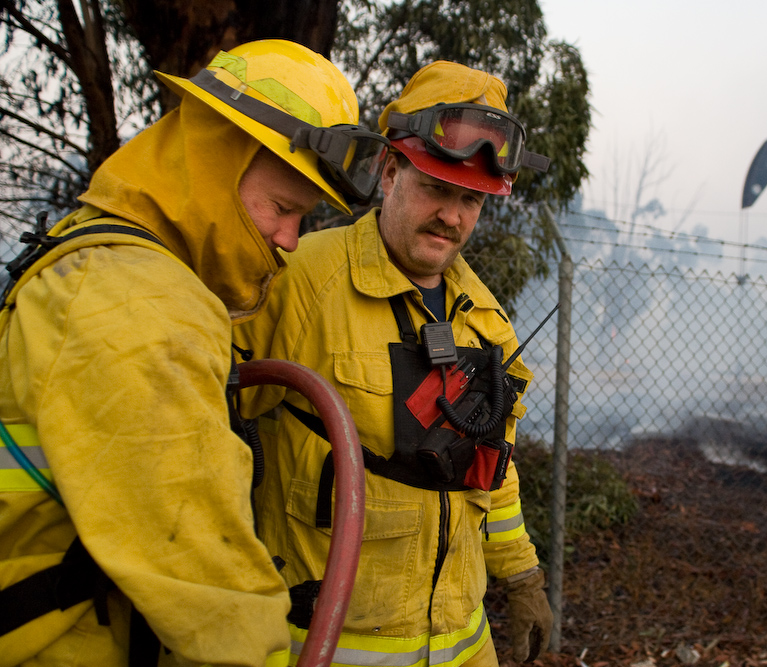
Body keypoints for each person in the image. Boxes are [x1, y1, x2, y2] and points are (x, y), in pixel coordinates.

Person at [0, 39, 388, 666]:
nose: (290, 240)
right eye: (284, 209)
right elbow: (207, 580)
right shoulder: (141, 307)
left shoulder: (95, 254)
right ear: (215, 162)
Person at [233, 61, 554, 666]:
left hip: (463, 647)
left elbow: (494, 469)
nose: (453, 217)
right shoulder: (300, 283)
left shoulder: (487, 322)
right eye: (436, 188)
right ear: (389, 171)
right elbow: (202, 437)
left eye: (471, 200)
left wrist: (522, 578)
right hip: (329, 648)